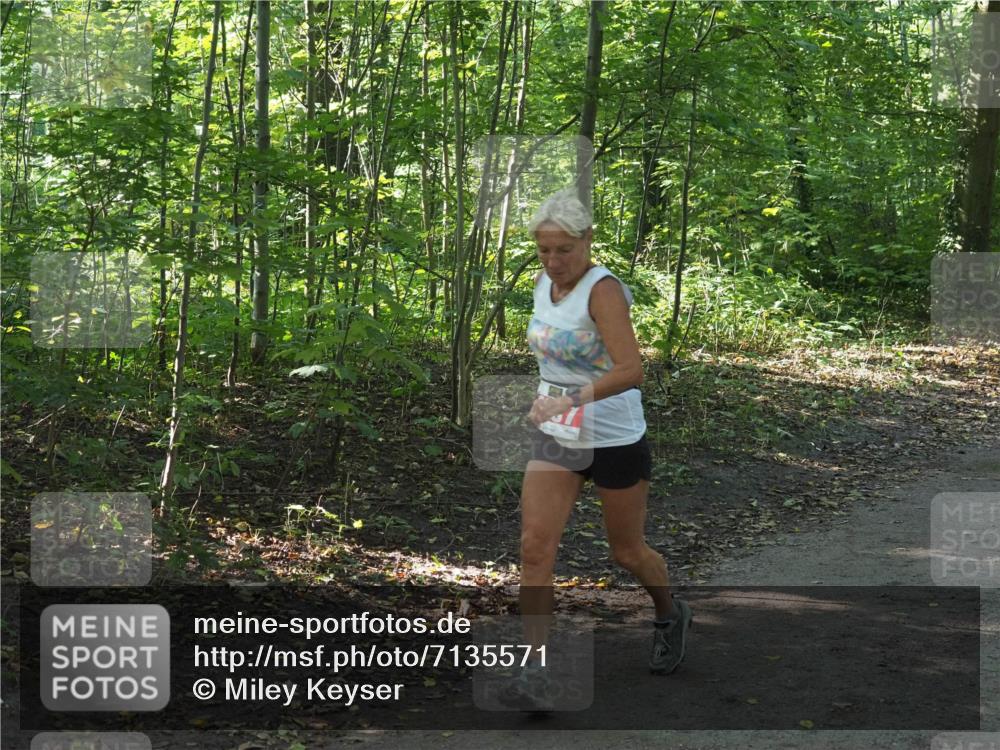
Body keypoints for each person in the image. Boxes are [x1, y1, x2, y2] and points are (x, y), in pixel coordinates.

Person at [500, 189, 692, 709]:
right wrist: (546, 400)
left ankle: (669, 614)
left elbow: (631, 370)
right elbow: (553, 358)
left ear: (587, 240)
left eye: (564, 250)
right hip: (558, 436)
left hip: (613, 436)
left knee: (627, 553)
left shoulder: (602, 290)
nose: (553, 261)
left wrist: (568, 400)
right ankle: (536, 670)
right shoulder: (543, 285)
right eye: (543, 250)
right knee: (535, 549)